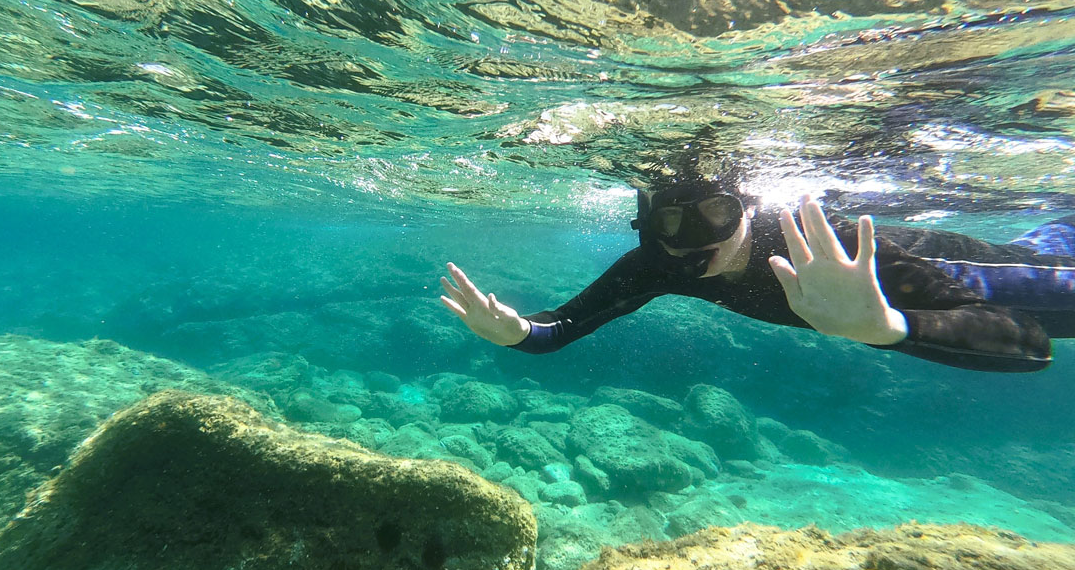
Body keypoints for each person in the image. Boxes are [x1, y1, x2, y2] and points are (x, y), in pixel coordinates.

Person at [440, 178, 1075, 372]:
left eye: (716, 215)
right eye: (670, 225)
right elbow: (565, 324)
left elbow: (1028, 341)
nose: (694, 245)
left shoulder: (825, 251)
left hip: (1013, 280)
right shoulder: (666, 266)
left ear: (746, 204)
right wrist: (519, 331)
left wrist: (886, 324)